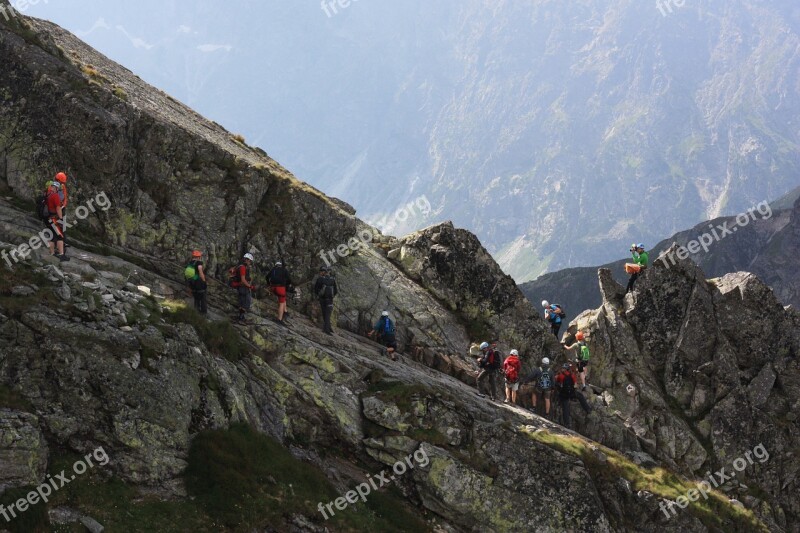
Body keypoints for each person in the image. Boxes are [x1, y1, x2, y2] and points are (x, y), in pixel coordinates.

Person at [555, 362, 593, 429]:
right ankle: (588, 409)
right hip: (572, 393)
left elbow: (557, 380)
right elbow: (575, 385)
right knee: (580, 396)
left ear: (564, 369)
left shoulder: (561, 376)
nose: (562, 369)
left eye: (563, 368)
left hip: (564, 394)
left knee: (565, 407)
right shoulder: (572, 375)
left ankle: (567, 424)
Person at [44, 181, 69, 261]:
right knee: (60, 236)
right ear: (57, 188)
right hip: (54, 218)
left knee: (52, 237)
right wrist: (61, 218)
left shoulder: (47, 195)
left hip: (48, 218)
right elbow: (58, 208)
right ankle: (61, 255)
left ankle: (52, 253)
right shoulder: (55, 196)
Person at [231, 253, 256, 324]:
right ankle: (241, 317)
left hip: (239, 286)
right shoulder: (242, 267)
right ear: (246, 260)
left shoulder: (240, 266)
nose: (250, 263)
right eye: (250, 261)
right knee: (246, 301)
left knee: (242, 301)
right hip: (242, 287)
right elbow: (243, 280)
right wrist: (250, 286)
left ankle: (240, 317)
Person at [313, 265, 338, 335]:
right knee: (328, 314)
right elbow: (336, 290)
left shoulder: (320, 279)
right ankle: (327, 328)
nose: (320, 273)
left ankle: (327, 328)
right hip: (330, 299)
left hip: (322, 299)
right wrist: (332, 296)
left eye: (321, 271)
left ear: (324, 272)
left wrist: (319, 295)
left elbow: (315, 289)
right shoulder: (333, 279)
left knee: (325, 313)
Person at [267, 261, 293, 325]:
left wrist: (269, 284)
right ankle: (279, 319)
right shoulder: (284, 270)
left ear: (275, 265)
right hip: (280, 288)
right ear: (281, 265)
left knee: (282, 298)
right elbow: (289, 280)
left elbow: (267, 277)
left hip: (273, 288)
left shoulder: (273, 270)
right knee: (281, 302)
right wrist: (286, 285)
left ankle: (285, 311)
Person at [185, 250, 208, 315]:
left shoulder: (190, 263)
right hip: (199, 282)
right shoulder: (199, 262)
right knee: (203, 297)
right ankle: (203, 313)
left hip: (192, 282)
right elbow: (200, 271)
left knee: (196, 297)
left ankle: (196, 312)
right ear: (199, 256)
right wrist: (204, 280)